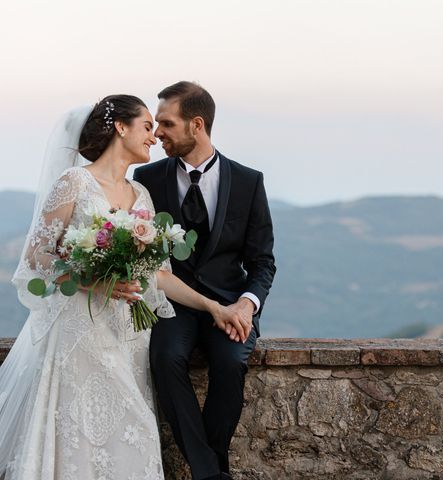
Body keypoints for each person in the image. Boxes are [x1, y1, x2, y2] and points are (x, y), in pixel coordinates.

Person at [0, 95, 246, 480]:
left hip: (127, 339)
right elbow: (37, 255)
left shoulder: (141, 195)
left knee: (132, 431)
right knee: (76, 435)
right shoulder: (75, 182)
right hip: (79, 334)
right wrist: (93, 280)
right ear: (120, 128)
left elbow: (159, 274)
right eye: (145, 126)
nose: (153, 137)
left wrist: (213, 307)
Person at [133, 81, 276, 480]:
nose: (157, 132)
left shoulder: (248, 182)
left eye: (166, 123)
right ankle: (212, 473)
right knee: (164, 358)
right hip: (171, 303)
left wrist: (246, 305)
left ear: (197, 125)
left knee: (231, 363)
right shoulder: (147, 178)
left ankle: (208, 466)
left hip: (231, 302)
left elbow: (263, 261)